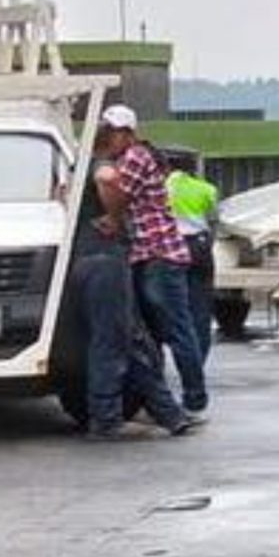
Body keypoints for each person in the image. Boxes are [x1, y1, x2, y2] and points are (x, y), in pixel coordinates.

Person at [75, 125, 190, 440]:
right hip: (106, 260)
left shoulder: (75, 164)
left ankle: (169, 414)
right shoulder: (103, 166)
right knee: (114, 339)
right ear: (112, 139)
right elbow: (108, 179)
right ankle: (106, 417)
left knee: (133, 339)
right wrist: (115, 216)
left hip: (80, 258)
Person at [98, 107, 208, 421]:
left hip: (159, 254)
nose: (112, 138)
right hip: (149, 254)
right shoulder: (131, 159)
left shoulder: (134, 157)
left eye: (115, 132)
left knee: (176, 328)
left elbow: (119, 198)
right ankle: (165, 401)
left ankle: (193, 401)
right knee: (155, 332)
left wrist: (105, 183)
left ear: (129, 133)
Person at [165, 151, 221, 360]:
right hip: (199, 246)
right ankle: (199, 359)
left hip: (171, 248)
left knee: (176, 309)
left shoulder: (161, 189)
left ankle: (181, 359)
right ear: (193, 168)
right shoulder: (206, 189)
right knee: (201, 307)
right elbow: (214, 221)